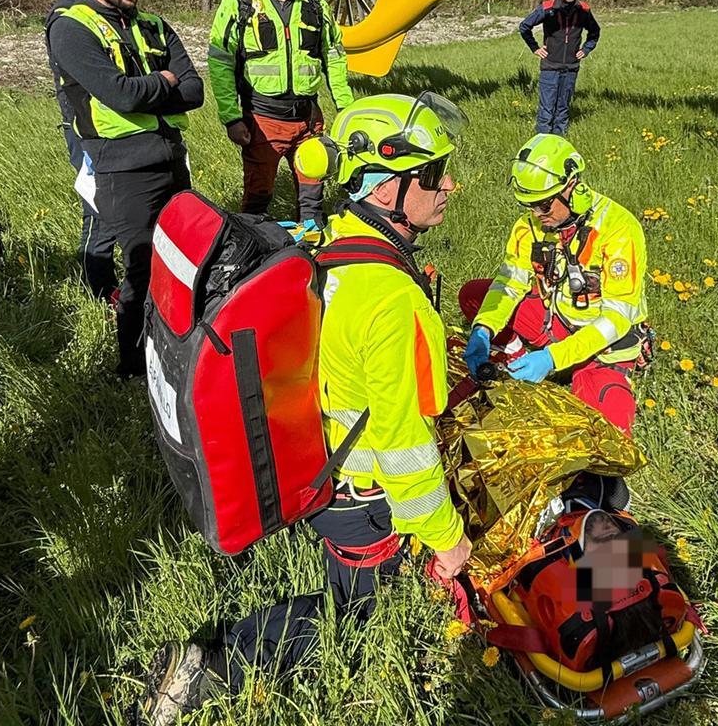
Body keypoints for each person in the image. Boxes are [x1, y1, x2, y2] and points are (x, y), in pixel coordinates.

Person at [140, 93, 471, 723]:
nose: (448, 183)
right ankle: (218, 664)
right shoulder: (390, 300)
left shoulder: (332, 240)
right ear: (385, 189)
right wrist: (446, 539)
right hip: (361, 499)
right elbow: (402, 441)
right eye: (432, 174)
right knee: (353, 620)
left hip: (318, 467)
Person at [46, 0, 203, 377]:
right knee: (140, 268)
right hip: (121, 166)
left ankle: (181, 345)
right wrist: (164, 81)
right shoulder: (71, 26)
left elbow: (193, 91)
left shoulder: (153, 25)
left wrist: (154, 85)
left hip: (171, 155)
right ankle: (134, 368)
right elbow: (119, 94)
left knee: (182, 257)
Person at [460, 134, 649, 434]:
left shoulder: (619, 228)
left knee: (608, 429)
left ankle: (575, 371)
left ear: (571, 187)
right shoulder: (530, 226)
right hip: (555, 325)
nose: (537, 215)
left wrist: (553, 358)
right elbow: (509, 284)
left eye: (544, 205)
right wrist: (483, 329)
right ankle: (517, 352)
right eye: (529, 205)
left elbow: (616, 318)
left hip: (602, 346)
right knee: (474, 295)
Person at [208, 0, 353, 226]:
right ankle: (254, 257)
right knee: (258, 200)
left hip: (308, 120)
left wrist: (346, 108)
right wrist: (231, 118)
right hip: (263, 122)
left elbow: (334, 54)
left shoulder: (315, 4)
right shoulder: (239, 4)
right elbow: (220, 62)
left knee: (313, 199)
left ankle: (312, 257)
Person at [44, 0, 118, 300]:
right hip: (87, 131)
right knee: (99, 209)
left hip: (127, 129)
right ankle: (100, 292)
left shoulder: (114, 10)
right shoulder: (68, 16)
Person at [518, 0, 599, 137]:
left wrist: (586, 49)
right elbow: (524, 26)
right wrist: (535, 48)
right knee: (547, 109)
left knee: (563, 107)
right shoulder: (548, 8)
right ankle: (542, 141)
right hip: (550, 66)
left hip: (571, 67)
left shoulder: (583, 10)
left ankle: (559, 140)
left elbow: (595, 32)